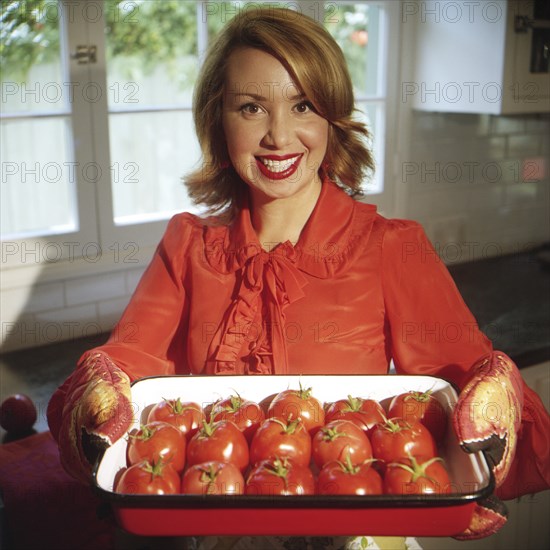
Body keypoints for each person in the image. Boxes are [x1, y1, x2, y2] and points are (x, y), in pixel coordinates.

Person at [47, 7, 549, 548]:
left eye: (303, 105)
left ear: (332, 118)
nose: (279, 136)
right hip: (219, 528)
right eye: (251, 107)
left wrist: (489, 401)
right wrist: (101, 391)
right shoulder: (187, 245)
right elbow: (131, 366)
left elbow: (461, 386)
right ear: (219, 119)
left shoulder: (392, 246)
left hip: (359, 525)